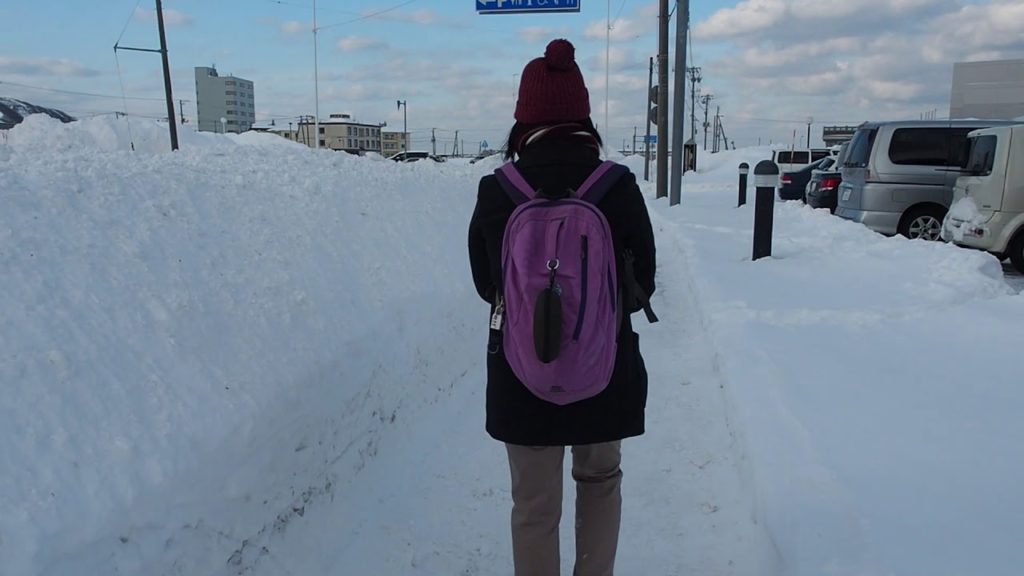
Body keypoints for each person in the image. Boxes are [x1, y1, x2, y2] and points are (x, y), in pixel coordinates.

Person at [467, 38, 656, 576]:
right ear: (584, 114)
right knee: (599, 481)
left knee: (533, 504)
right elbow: (644, 280)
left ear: (523, 118)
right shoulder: (615, 185)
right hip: (605, 364)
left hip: (521, 371)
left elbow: (487, 285)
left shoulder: (498, 188)